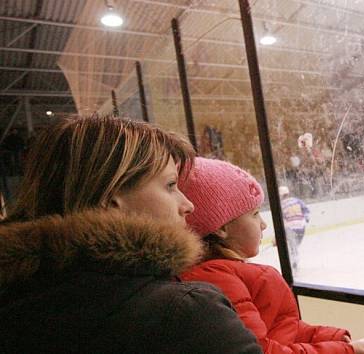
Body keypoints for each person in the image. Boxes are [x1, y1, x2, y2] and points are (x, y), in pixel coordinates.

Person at [0, 116, 261, 354]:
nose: (188, 205)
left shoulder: (17, 301)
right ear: (109, 200)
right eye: (170, 186)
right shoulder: (184, 314)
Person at [178, 157, 364, 354]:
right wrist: (344, 351)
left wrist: (334, 338)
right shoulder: (216, 279)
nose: (263, 224)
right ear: (222, 227)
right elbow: (263, 350)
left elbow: (285, 328)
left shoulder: (232, 273)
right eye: (255, 214)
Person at [279, 185, 310, 270]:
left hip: (290, 227)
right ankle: (294, 258)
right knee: (296, 244)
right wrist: (306, 219)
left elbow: (281, 218)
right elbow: (306, 210)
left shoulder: (280, 205)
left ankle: (294, 260)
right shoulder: (297, 200)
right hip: (301, 226)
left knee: (293, 245)